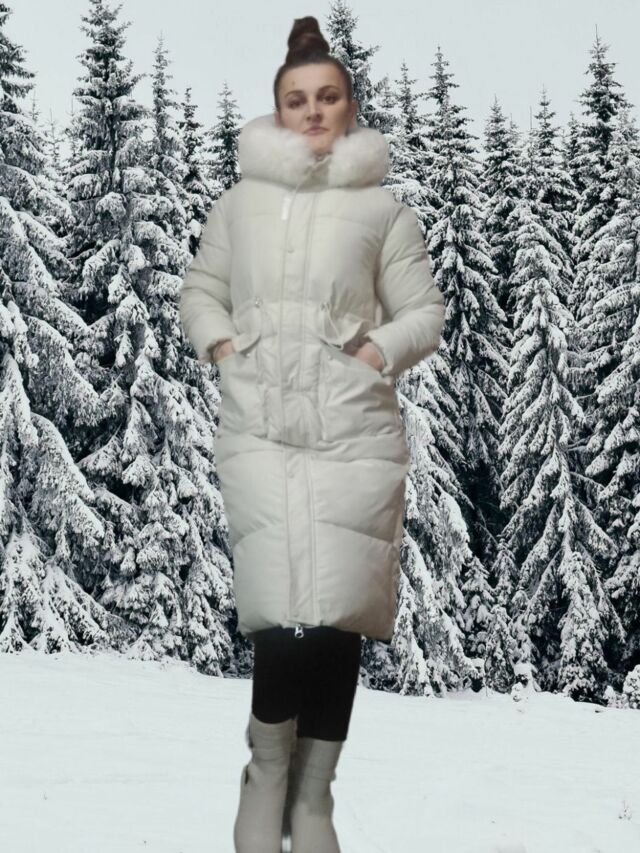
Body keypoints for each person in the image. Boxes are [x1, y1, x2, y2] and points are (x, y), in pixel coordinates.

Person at [179, 16, 445, 853]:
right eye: (297, 99)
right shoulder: (238, 207)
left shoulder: (383, 212)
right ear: (278, 110)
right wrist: (225, 346)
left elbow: (424, 313)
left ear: (350, 106)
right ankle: (268, 771)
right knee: (280, 620)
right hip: (260, 430)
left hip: (353, 434)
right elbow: (201, 291)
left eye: (328, 96)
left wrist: (375, 351)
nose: (314, 111)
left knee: (334, 621)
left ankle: (314, 794)